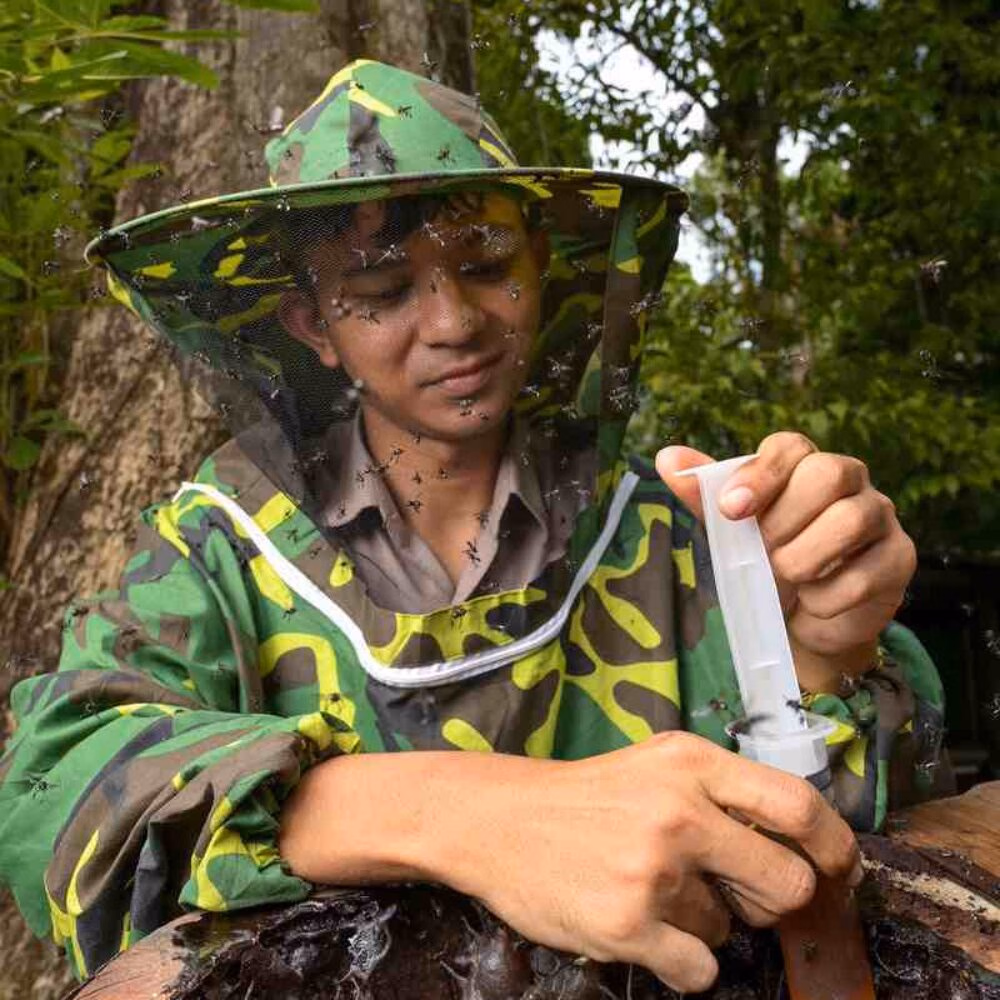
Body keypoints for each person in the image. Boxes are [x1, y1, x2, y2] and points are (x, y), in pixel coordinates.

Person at [0, 60, 947, 993]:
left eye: (486, 267)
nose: (453, 322)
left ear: (541, 262)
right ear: (313, 324)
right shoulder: (218, 550)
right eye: (380, 293)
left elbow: (855, 848)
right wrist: (475, 815)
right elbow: (57, 787)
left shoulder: (669, 530)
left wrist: (825, 652)